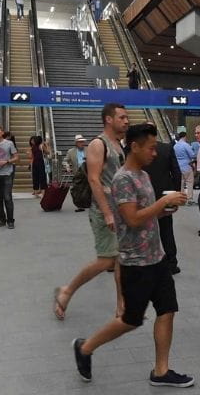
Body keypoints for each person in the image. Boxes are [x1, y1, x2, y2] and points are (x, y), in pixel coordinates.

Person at [71, 123, 192, 388]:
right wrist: (161, 204)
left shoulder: (144, 176)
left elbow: (147, 215)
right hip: (136, 263)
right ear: (134, 147)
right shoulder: (123, 179)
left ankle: (161, 371)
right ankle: (85, 347)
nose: (155, 153)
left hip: (156, 258)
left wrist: (165, 209)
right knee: (130, 321)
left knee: (168, 310)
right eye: (150, 147)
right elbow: (132, 219)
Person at [53, 103, 128, 321]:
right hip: (104, 210)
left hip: (118, 210)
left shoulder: (117, 144)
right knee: (106, 261)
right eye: (121, 117)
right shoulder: (98, 144)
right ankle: (66, 291)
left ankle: (121, 305)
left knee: (120, 259)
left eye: (126, 117)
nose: (126, 121)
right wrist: (107, 212)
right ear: (108, 119)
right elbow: (94, 179)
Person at [143, 131, 183, 275]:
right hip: (166, 196)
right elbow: (177, 172)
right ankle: (172, 263)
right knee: (167, 230)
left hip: (145, 195)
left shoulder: (139, 150)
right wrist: (176, 193)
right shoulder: (167, 148)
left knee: (146, 229)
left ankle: (148, 263)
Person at [65, 134, 87, 212]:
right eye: (80, 142)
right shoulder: (71, 151)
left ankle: (87, 203)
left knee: (88, 189)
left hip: (87, 172)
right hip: (77, 173)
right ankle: (79, 205)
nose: (82, 143)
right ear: (76, 143)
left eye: (83, 142)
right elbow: (65, 161)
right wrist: (67, 166)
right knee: (77, 190)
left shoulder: (88, 150)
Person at [173, 132, 195, 205]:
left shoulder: (175, 146)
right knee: (189, 182)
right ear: (185, 136)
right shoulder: (186, 145)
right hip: (187, 166)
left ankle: (181, 200)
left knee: (181, 183)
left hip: (178, 167)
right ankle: (189, 199)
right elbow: (192, 155)